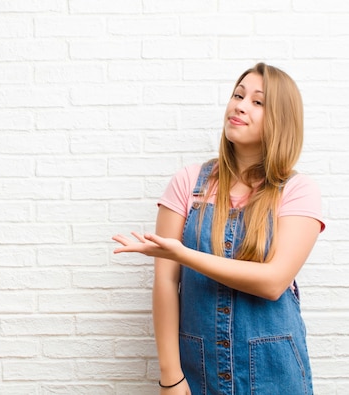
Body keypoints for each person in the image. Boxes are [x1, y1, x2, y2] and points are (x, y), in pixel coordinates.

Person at [112, 62, 325, 395]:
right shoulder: (188, 183)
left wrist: (186, 255)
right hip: (199, 368)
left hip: (275, 372)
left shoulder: (298, 191)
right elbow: (166, 281)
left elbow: (273, 282)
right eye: (238, 95)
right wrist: (170, 375)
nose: (240, 105)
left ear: (281, 119)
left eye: (258, 101)